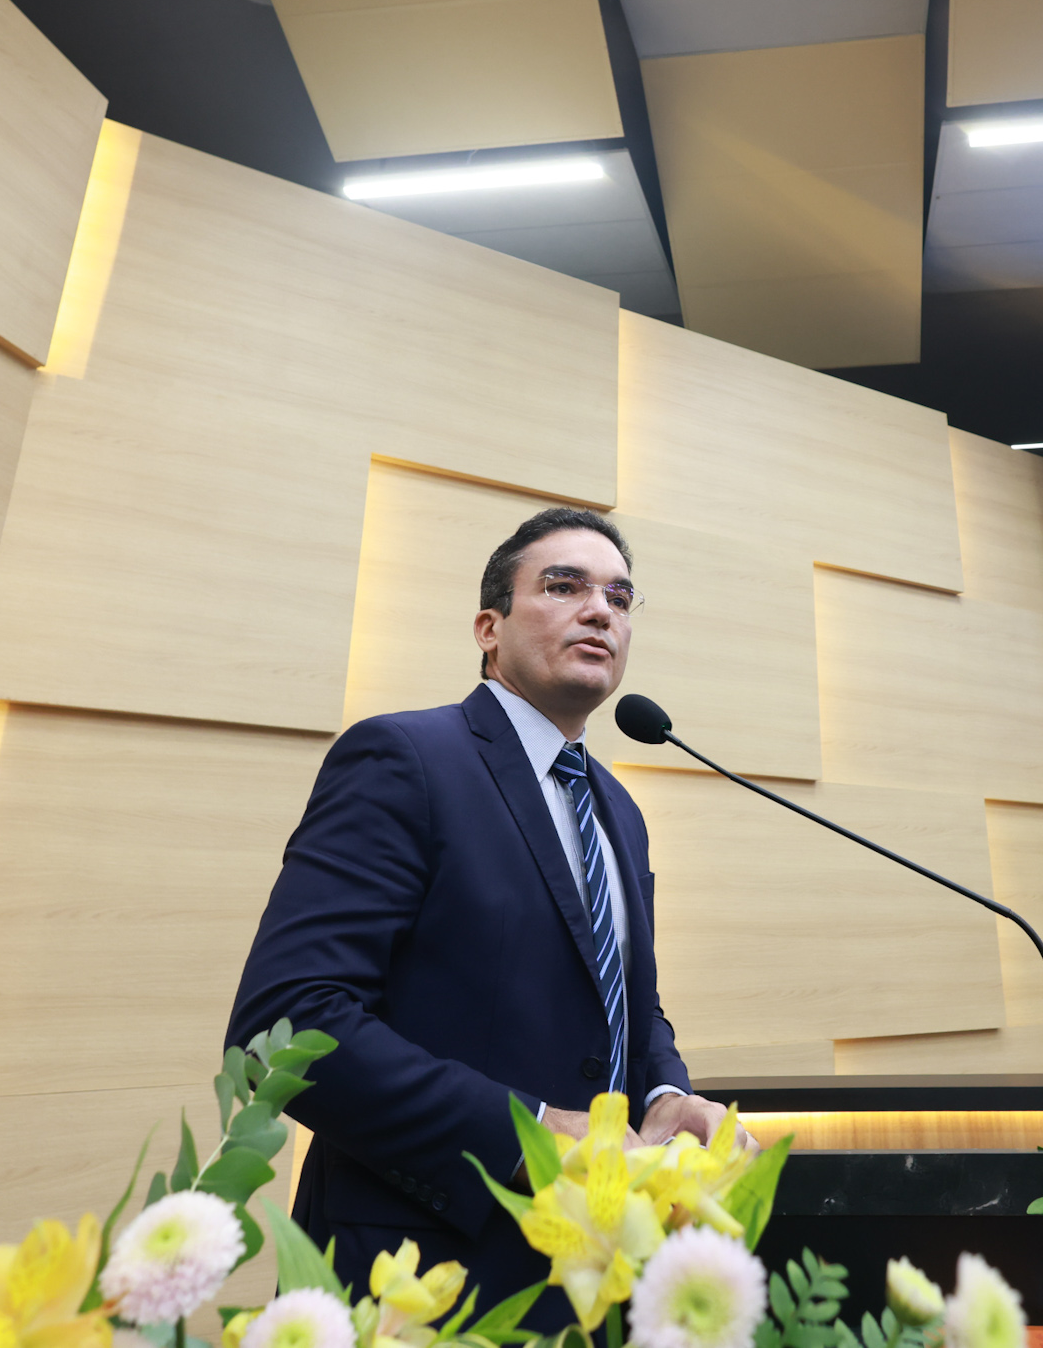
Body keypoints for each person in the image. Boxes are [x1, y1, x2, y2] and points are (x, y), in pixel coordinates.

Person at [225, 506, 738, 1320]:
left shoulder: (620, 808)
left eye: (620, 596)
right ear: (487, 628)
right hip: (422, 1272)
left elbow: (618, 1000)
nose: (601, 608)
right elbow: (288, 1022)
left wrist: (664, 1092)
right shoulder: (405, 759)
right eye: (563, 584)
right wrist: (535, 1132)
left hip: (592, 1277)